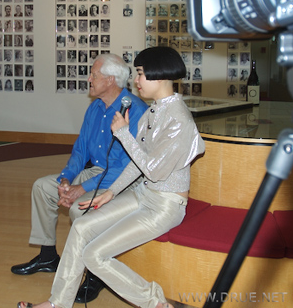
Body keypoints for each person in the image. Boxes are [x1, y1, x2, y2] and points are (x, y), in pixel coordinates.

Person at [18, 46, 205, 308]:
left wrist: (124, 134)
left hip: (165, 205)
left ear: (158, 76)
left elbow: (152, 169)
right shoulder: (155, 110)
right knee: (82, 227)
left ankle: (157, 304)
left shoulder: (178, 119)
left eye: (140, 74)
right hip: (142, 194)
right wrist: (110, 193)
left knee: (94, 255)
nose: (136, 80)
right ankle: (57, 304)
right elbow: (136, 165)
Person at [11, 53, 148, 303]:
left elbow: (125, 167)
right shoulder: (95, 107)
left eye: (94, 75)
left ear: (110, 79)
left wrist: (80, 188)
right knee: (43, 187)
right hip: (96, 171)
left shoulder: (135, 110)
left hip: (123, 180)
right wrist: (66, 179)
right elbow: (81, 149)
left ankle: (95, 276)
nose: (89, 79)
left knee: (78, 208)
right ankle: (47, 256)